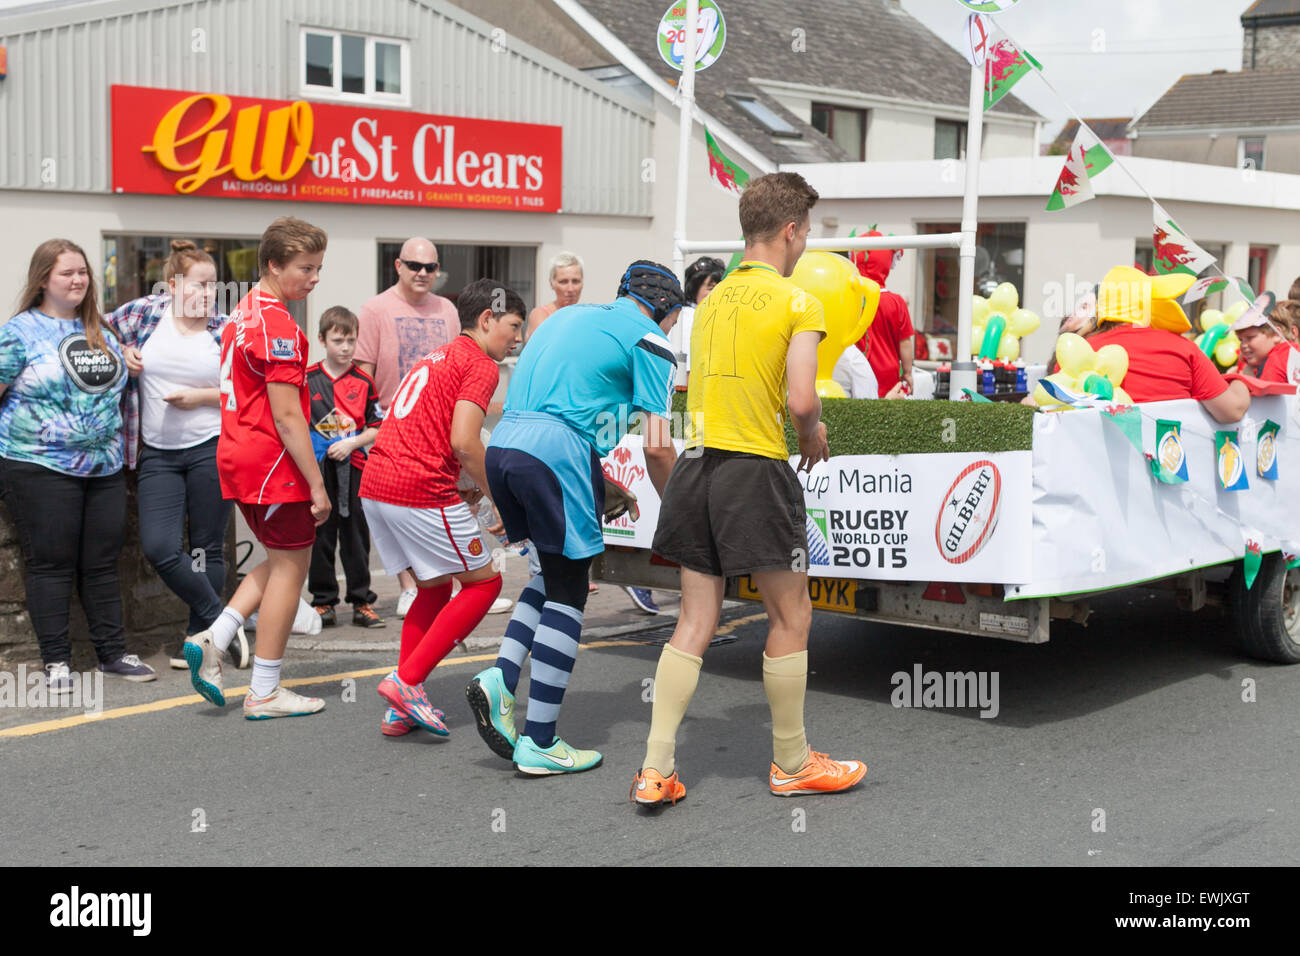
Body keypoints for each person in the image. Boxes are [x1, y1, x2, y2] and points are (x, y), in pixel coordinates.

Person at [632, 172, 867, 808]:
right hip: (755, 468)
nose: (806, 244)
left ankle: (656, 769)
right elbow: (800, 400)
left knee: (694, 620)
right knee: (792, 615)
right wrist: (813, 436)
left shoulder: (711, 301)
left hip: (695, 468)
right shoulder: (798, 302)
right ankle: (791, 762)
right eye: (808, 232)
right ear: (792, 230)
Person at [466, 261, 681, 775]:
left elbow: (563, 405)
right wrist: (680, 515)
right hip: (557, 455)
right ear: (665, 308)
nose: (673, 327)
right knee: (570, 591)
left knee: (549, 572)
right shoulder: (653, 339)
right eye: (675, 316)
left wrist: (599, 482)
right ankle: (540, 740)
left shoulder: (567, 317)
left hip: (507, 446)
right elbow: (656, 447)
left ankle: (501, 677)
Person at [359, 279, 523, 737]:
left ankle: (400, 705)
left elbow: (428, 428)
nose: (517, 337)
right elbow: (465, 443)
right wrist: (500, 501)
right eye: (512, 325)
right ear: (487, 318)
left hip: (378, 483)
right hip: (417, 488)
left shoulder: (437, 355)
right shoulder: (480, 364)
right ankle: (407, 682)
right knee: (485, 584)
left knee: (432, 589)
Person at [183, 216, 331, 720]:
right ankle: (265, 690)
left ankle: (215, 637)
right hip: (271, 461)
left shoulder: (243, 311)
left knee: (281, 558)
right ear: (273, 264)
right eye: (305, 268)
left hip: (240, 454)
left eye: (317, 268)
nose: (313, 278)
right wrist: (317, 483)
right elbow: (288, 415)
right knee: (294, 566)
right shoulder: (278, 323)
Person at [0, 239, 156, 692]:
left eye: (83, 272)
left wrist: (129, 363)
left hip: (103, 467)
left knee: (102, 563)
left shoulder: (102, 332)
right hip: (38, 465)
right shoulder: (19, 332)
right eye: (67, 272)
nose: (77, 280)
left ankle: (112, 653)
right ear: (43, 278)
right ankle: (56, 663)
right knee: (51, 563)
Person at [106, 239, 248, 671]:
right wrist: (120, 351)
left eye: (213, 286)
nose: (207, 294)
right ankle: (222, 621)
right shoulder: (143, 315)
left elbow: (248, 392)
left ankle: (198, 637)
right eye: (199, 285)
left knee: (206, 547)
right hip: (159, 456)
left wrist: (203, 396)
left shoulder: (225, 328)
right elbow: (94, 328)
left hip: (210, 448)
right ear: (172, 285)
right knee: (160, 546)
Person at [355, 237, 459, 619]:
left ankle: (444, 585)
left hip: (438, 426)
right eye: (414, 265)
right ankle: (408, 587)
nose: (422, 273)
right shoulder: (375, 309)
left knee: (438, 506)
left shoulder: (447, 309)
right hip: (389, 425)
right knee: (395, 512)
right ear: (398, 266)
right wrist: (363, 425)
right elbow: (361, 372)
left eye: (430, 267)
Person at [1083, 266, 1249, 422]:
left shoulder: (1081, 351)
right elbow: (1233, 410)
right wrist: (1242, 379)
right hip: (1167, 450)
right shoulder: (1182, 348)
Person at [307, 306, 384, 628]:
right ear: (323, 339)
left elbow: (377, 426)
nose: (346, 348)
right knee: (320, 534)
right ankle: (323, 602)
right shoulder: (307, 378)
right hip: (318, 469)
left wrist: (352, 443)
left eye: (351, 340)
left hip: (353, 468)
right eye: (338, 340)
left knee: (355, 536)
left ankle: (361, 600)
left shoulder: (364, 380)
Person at [852, 232, 914, 396]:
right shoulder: (896, 302)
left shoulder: (850, 298)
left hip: (855, 370)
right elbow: (905, 342)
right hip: (888, 374)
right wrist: (907, 372)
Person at [1233, 293, 1300, 386]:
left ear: (1276, 334)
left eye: (1250, 337)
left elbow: (1265, 399)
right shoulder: (1293, 352)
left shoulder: (1274, 363)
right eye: (1241, 340)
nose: (1243, 345)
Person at [525, 251, 583, 343]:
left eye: (575, 281)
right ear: (551, 283)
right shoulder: (541, 315)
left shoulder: (585, 315)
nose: (570, 289)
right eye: (563, 282)